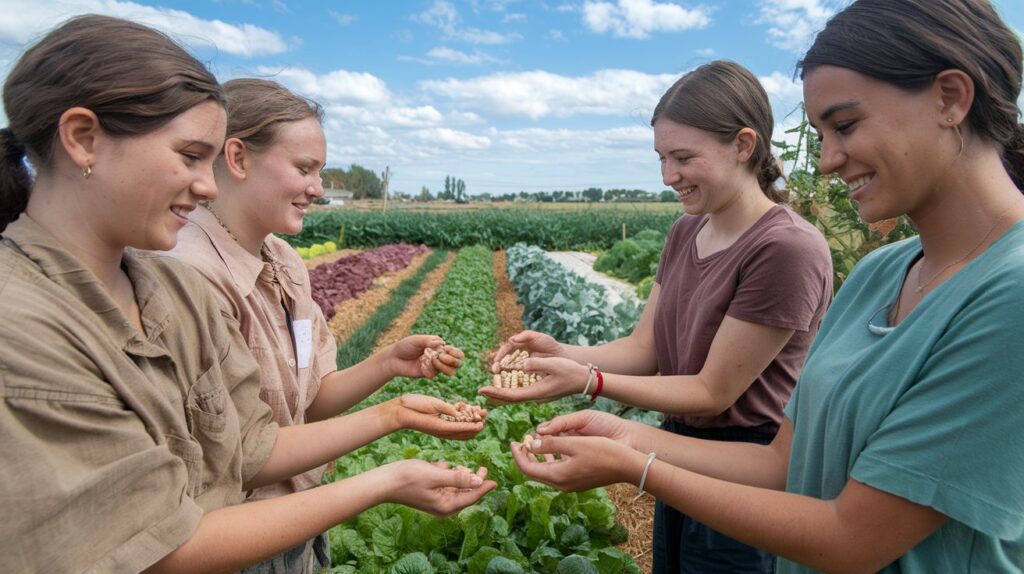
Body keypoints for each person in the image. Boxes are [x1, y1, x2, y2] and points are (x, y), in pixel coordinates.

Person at [509, 0, 1024, 571]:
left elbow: (852, 539)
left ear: (950, 99)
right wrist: (620, 437)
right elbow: (785, 465)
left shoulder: (1009, 294)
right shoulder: (884, 272)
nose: (826, 161)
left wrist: (633, 458)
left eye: (846, 125)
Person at [0, 15, 495, 574]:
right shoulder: (21, 326)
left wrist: (396, 410)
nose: (207, 184)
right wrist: (386, 480)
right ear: (82, 138)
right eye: (189, 156)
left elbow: (251, 447)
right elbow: (158, 548)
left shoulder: (172, 291)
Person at [484, 60, 833, 573]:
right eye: (662, 157)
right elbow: (644, 350)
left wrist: (588, 381)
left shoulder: (785, 248)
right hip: (674, 450)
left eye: (683, 157)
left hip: (743, 470)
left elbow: (712, 391)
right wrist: (562, 354)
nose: (669, 176)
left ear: (743, 145)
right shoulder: (686, 233)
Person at [156, 77, 478, 573]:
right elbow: (248, 455)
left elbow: (310, 399)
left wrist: (389, 363)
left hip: (297, 518)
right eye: (304, 169)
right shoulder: (191, 275)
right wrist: (393, 416)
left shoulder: (282, 258)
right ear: (238, 159)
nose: (317, 189)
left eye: (320, 172)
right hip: (231, 537)